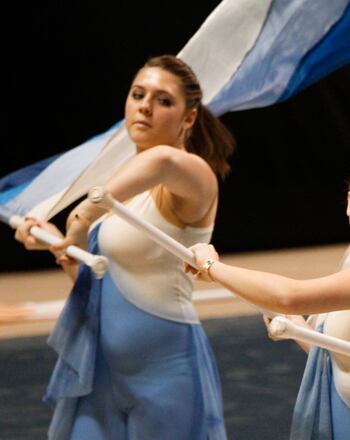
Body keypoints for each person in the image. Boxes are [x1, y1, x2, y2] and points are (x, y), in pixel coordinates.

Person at [15, 55, 234, 440]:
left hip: (167, 376)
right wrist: (59, 244)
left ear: (189, 119)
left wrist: (82, 214)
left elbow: (163, 160)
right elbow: (97, 282)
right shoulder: (118, 195)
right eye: (138, 94)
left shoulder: (193, 175)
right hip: (100, 375)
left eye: (163, 100)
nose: (145, 106)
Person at [189, 143, 350, 440]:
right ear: (348, 201)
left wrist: (212, 267)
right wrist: (296, 326)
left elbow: (289, 296)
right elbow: (334, 356)